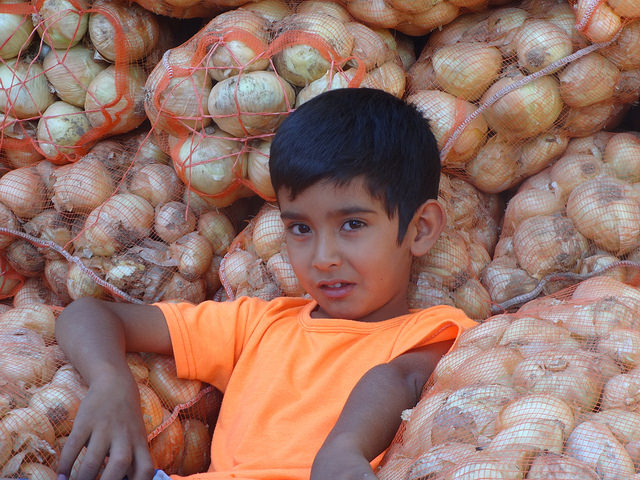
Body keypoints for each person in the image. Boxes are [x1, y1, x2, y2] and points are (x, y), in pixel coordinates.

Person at [55, 87, 477, 480]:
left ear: (421, 229)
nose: (323, 257)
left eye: (352, 224)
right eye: (300, 229)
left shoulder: (437, 333)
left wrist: (344, 450)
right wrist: (110, 381)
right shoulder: (257, 325)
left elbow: (400, 379)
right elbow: (89, 314)